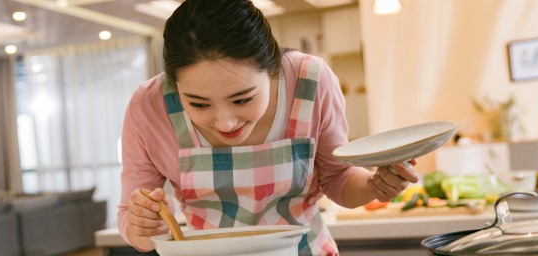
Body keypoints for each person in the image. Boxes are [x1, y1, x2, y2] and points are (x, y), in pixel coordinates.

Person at [118, 0, 418, 255]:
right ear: (172, 82)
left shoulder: (309, 81)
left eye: (242, 99)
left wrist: (373, 187)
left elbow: (337, 179)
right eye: (198, 104)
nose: (225, 122)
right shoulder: (149, 106)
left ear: (274, 70)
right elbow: (133, 220)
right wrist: (143, 226)